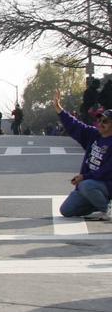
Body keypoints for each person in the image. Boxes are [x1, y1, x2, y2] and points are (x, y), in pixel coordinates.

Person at [54, 90, 112, 219]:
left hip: (106, 185)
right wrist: (60, 110)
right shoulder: (94, 134)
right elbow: (75, 126)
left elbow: (107, 171)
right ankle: (100, 203)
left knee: (86, 185)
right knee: (67, 210)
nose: (101, 123)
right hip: (92, 185)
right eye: (100, 120)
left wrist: (84, 177)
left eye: (105, 121)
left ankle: (108, 210)